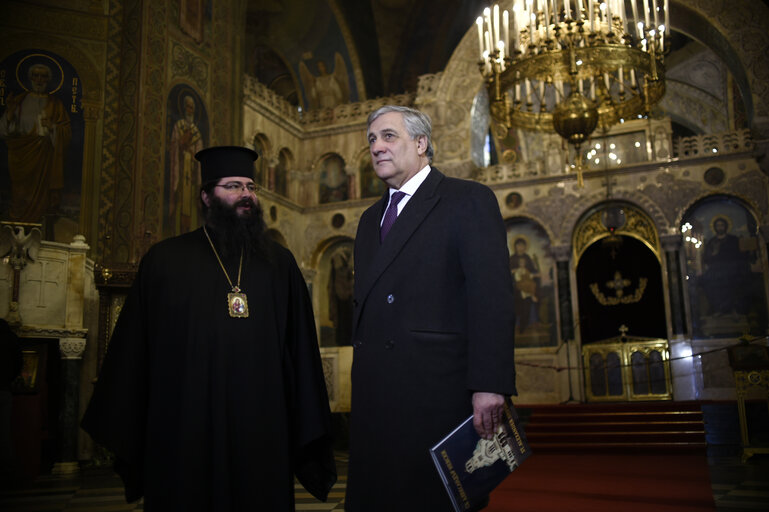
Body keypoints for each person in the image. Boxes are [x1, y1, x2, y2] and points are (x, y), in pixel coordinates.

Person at [82, 146, 336, 511]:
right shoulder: (165, 262)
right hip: (185, 424)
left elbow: (300, 351)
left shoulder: (279, 264)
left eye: (251, 187)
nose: (246, 195)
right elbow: (135, 353)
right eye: (233, 186)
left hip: (261, 425)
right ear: (206, 196)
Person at [345, 105, 517, 511]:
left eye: (389, 136)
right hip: (376, 395)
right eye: (372, 140)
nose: (377, 147)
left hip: (438, 393)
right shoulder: (369, 220)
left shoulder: (467, 199)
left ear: (421, 143)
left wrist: (490, 383)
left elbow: (491, 296)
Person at [0, 62, 71, 222]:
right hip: (21, 156)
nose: (39, 79)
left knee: (41, 196)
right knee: (19, 194)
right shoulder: (19, 100)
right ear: (30, 78)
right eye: (36, 75)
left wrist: (53, 127)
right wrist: (10, 114)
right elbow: (4, 131)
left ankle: (40, 222)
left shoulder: (56, 104)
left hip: (44, 159)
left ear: (48, 79)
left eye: (43, 76)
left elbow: (66, 133)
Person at [168, 94, 204, 234]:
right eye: (188, 107)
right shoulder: (178, 126)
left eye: (192, 108)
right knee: (180, 203)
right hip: (181, 173)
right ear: (184, 108)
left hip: (192, 176)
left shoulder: (197, 133)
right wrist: (181, 144)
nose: (190, 110)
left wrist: (191, 153)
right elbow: (173, 147)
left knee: (191, 207)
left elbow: (199, 156)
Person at [509, 237, 540, 333]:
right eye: (518, 245)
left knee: (534, 292)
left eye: (522, 245)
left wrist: (534, 274)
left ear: (525, 247)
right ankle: (518, 324)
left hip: (527, 283)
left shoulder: (527, 258)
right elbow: (506, 272)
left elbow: (532, 272)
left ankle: (530, 322)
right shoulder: (512, 259)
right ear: (515, 246)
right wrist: (514, 272)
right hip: (515, 285)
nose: (520, 247)